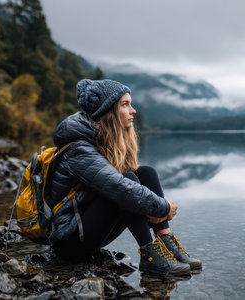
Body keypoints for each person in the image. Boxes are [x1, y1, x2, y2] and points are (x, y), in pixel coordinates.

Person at [48, 78, 201, 276]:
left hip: (86, 230)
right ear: (108, 112)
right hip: (69, 242)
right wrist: (163, 207)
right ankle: (150, 254)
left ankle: (166, 242)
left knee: (145, 173)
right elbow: (121, 188)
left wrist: (154, 207)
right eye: (125, 105)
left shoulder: (98, 140)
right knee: (125, 185)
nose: (133, 110)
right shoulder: (79, 149)